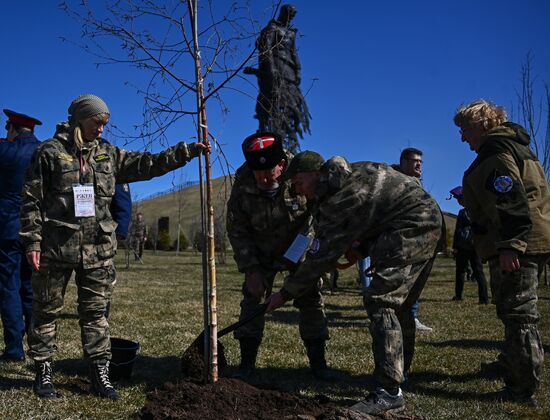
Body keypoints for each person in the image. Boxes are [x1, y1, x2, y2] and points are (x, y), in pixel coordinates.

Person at [20, 94, 209, 400]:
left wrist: (185, 152)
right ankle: (44, 373)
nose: (102, 129)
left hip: (98, 251)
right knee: (45, 312)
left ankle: (100, 375)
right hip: (56, 249)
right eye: (97, 122)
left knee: (96, 315)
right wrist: (32, 242)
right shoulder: (49, 153)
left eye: (105, 124)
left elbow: (148, 164)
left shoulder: (109, 154)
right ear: (81, 119)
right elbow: (31, 201)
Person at [265, 151, 442, 415]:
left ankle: (388, 392)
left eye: (299, 183)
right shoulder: (346, 177)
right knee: (401, 306)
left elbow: (322, 257)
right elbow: (375, 210)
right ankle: (399, 375)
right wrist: (365, 244)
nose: (298, 191)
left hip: (412, 226)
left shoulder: (340, 196)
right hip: (425, 219)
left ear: (315, 174)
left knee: (382, 302)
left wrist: (285, 293)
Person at [454, 99, 549, 406]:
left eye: (465, 130)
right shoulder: (516, 147)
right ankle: (512, 364)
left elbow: (512, 201)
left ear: (481, 125)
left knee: (519, 316)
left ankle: (521, 390)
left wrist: (509, 246)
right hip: (529, 239)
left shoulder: (495, 152)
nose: (462, 137)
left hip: (517, 245)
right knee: (512, 312)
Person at [226, 132, 331, 380]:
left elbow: (317, 213)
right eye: (257, 172)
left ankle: (319, 365)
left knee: (311, 296)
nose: (262, 178)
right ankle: (246, 365)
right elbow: (237, 228)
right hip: (260, 250)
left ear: (282, 165)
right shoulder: (243, 181)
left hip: (299, 244)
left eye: (268, 172)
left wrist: (306, 255)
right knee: (253, 298)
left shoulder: (301, 171)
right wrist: (250, 269)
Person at [0, 109, 41, 362]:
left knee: (9, 286)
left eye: (7, 128)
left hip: (7, 228)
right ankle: (37, 342)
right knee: (29, 286)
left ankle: (15, 348)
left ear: (13, 128)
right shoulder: (44, 152)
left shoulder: (5, 150)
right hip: (36, 227)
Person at [244, 4, 310, 152]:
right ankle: (269, 136)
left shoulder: (291, 33)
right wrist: (271, 68)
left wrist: (298, 71)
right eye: (289, 14)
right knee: (271, 102)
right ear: (283, 13)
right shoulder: (272, 28)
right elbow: (265, 48)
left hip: (289, 73)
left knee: (290, 107)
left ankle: (287, 144)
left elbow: (294, 53)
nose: (291, 17)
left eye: (293, 15)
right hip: (275, 68)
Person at [392, 147, 433, 332]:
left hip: (418, 241)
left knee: (414, 282)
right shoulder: (394, 182)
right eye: (415, 160)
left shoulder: (417, 183)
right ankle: (394, 317)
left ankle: (411, 317)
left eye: (421, 161)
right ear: (403, 162)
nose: (419, 164)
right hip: (398, 240)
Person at [449, 186, 488, 304]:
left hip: (462, 246)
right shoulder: (479, 211)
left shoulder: (462, 213)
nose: (458, 201)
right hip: (475, 245)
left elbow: (457, 231)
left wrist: (455, 246)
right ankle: (484, 298)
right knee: (479, 271)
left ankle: (458, 296)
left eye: (459, 199)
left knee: (460, 271)